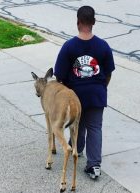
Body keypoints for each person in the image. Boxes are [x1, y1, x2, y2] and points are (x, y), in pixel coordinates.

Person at [54, 5, 115, 179]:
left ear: (78, 23)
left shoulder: (69, 46)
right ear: (94, 22)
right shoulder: (103, 46)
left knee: (77, 124)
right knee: (95, 127)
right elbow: (108, 73)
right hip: (97, 93)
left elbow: (59, 75)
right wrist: (101, 87)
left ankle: (76, 149)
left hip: (75, 96)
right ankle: (94, 165)